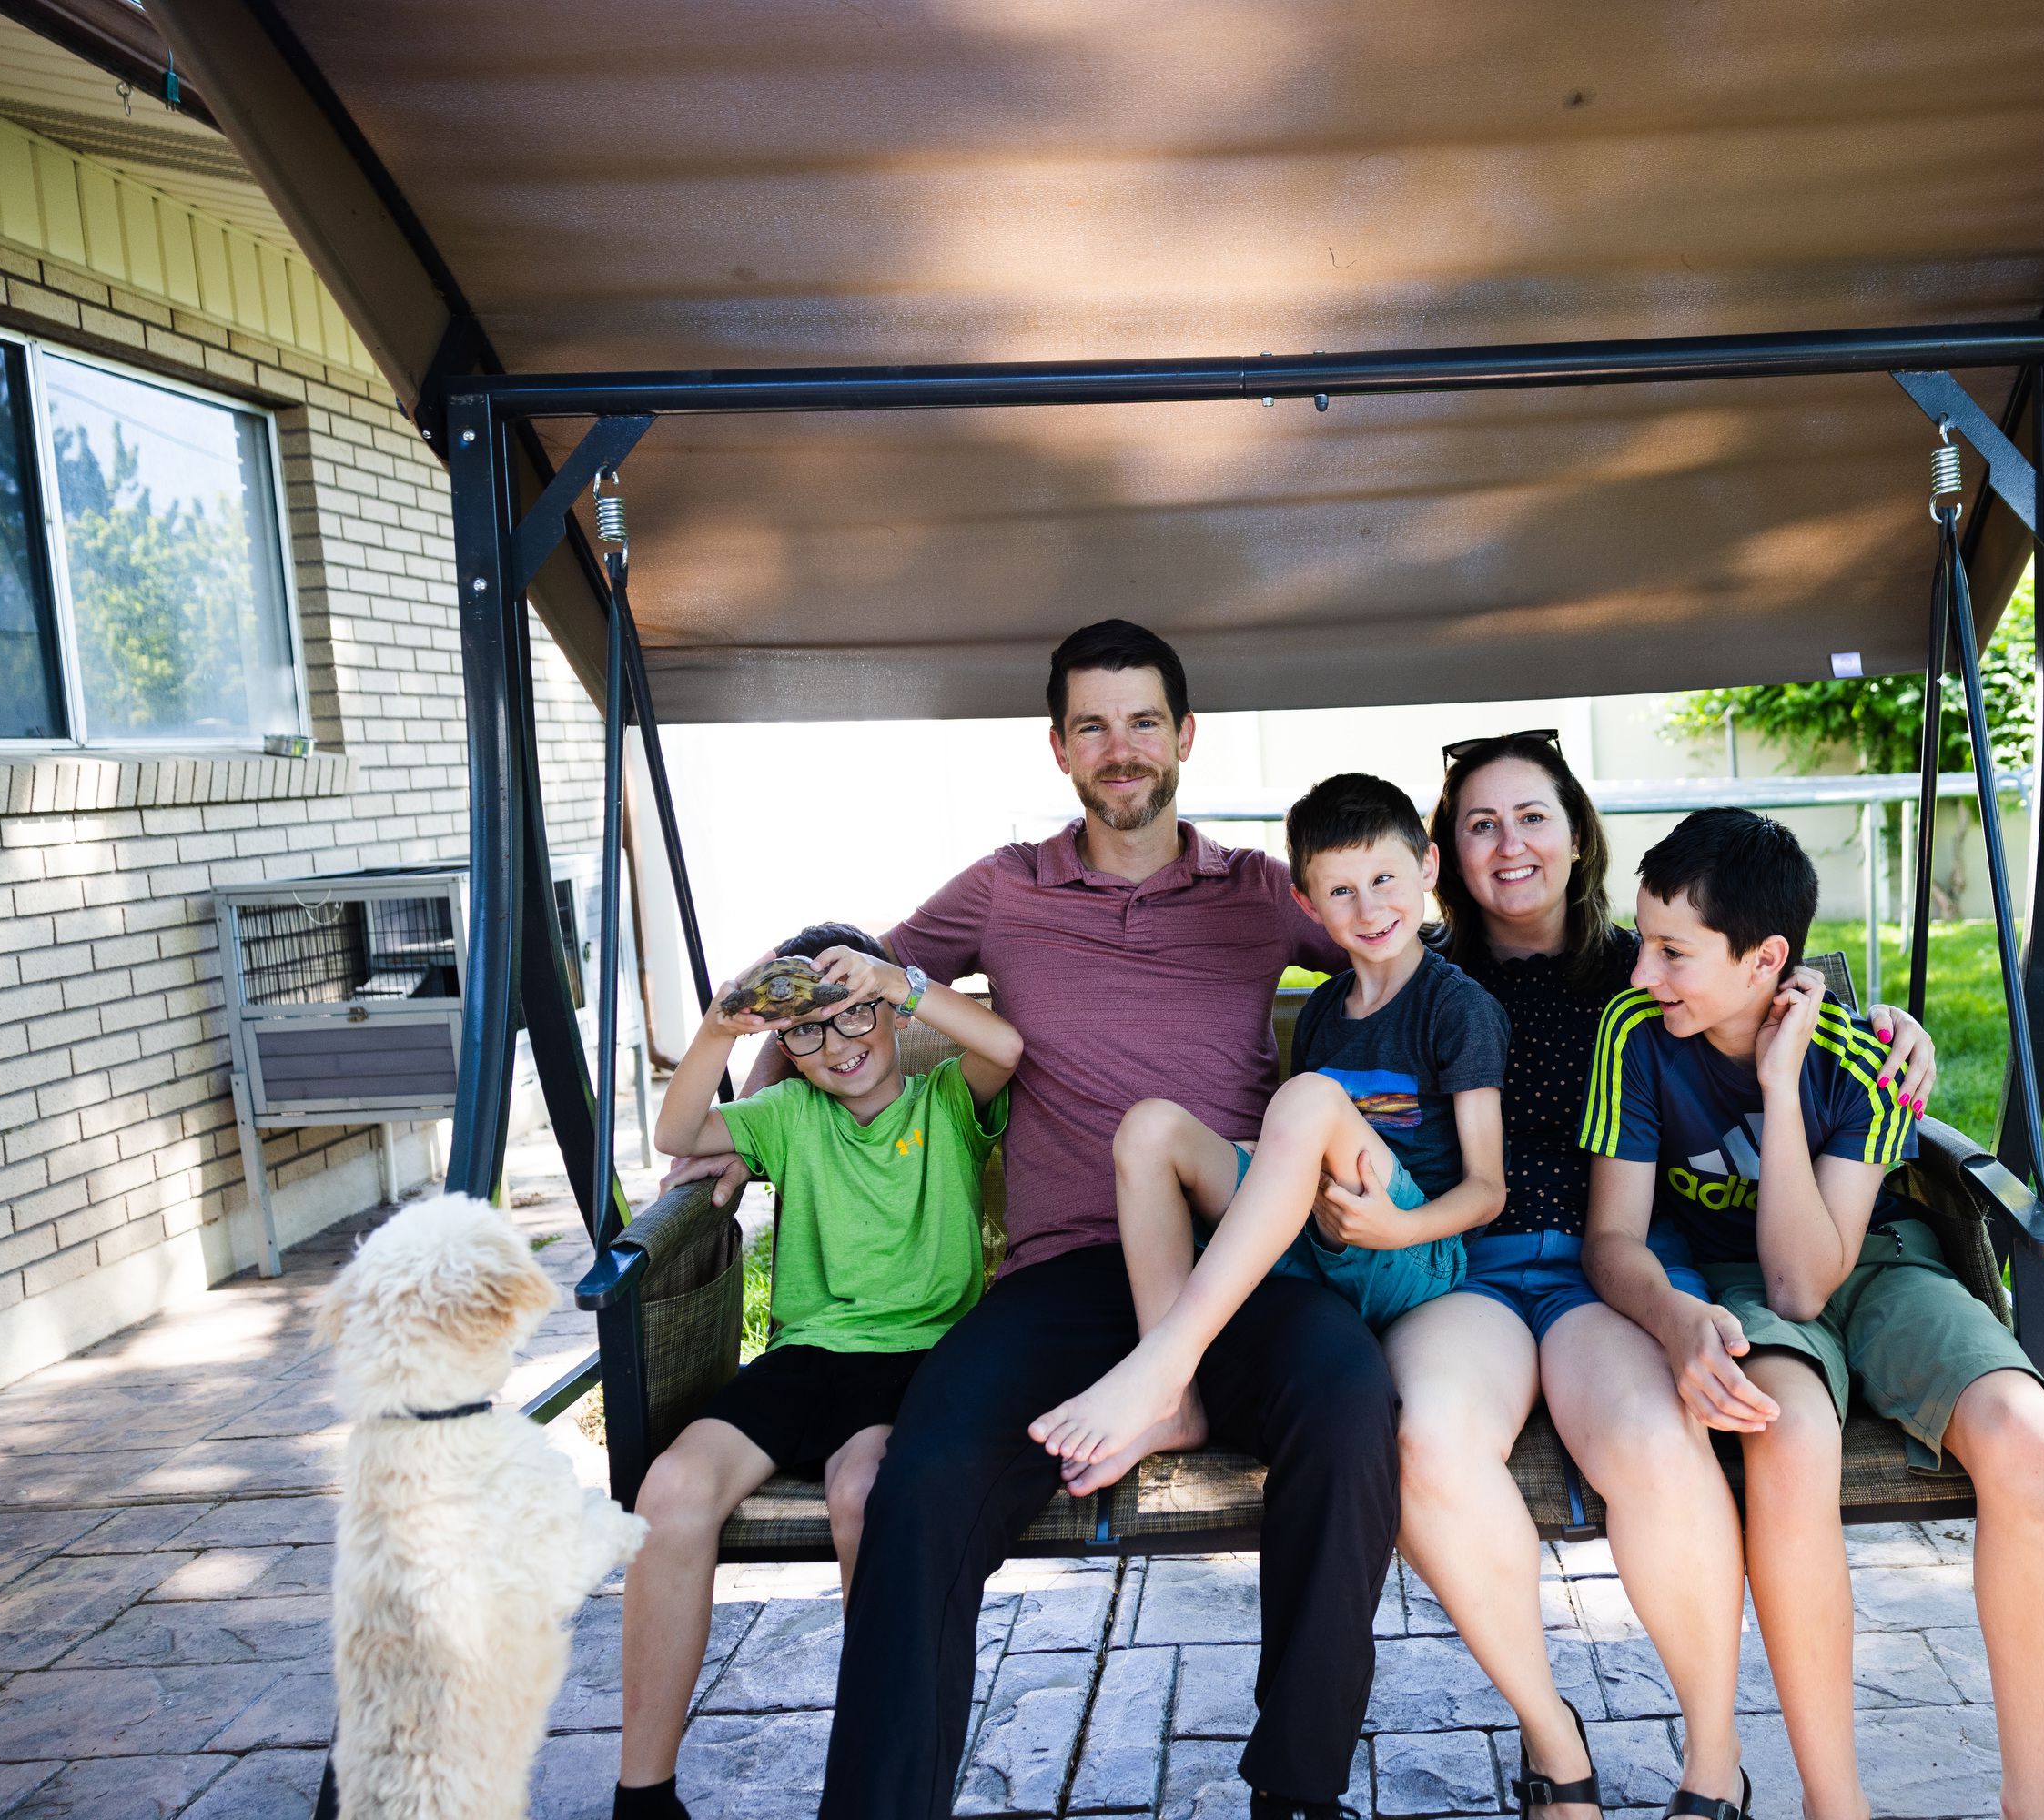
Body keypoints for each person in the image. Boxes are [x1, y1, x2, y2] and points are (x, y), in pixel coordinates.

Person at [673, 620, 1390, 1820]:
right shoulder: (1006, 887)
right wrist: (744, 1140)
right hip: (1062, 1277)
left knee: (1350, 1398)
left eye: (1145, 722)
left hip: (1233, 1264)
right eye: (1095, 726)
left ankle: (1298, 1795)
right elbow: (841, 981)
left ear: (1186, 737)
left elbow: (1395, 952)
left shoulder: (1260, 893)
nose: (1123, 750)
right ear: (1058, 747)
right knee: (927, 1473)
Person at [1381, 733, 1940, 1820]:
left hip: (1611, 1276)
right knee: (1427, 1439)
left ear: (1578, 833)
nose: (1509, 845)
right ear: (1445, 848)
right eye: (1479, 822)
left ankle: (1713, 1757)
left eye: (1533, 816)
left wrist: (1884, 1021)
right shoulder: (1416, 972)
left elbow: (1769, 983)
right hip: (1469, 1274)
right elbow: (1314, 916)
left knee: (1653, 1437)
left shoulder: (1637, 966)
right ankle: (1557, 1743)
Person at [1583, 809, 2044, 1820]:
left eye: (1674, 951)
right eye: (1644, 942)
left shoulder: (1858, 1056)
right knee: (1789, 1431)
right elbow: (1619, 1242)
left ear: (1767, 958)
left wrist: (1780, 1084)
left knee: (2029, 1443)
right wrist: (1679, 1316)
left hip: (1879, 1261)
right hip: (1734, 1278)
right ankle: (1834, 1802)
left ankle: (2038, 1806)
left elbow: (1821, 1275)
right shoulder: (1635, 1035)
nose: (1645, 973)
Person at [617, 923, 1020, 1820]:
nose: (838, 1047)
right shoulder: (789, 1118)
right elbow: (677, 1127)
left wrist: (899, 978)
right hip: (804, 1357)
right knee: (672, 1488)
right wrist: (725, 1025)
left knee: (864, 1492)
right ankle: (641, 1793)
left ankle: (877, 1774)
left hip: (917, 1361)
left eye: (856, 1017)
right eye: (808, 1031)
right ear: (784, 1044)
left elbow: (1005, 1043)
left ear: (888, 1011)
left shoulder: (945, 1101)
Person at [1031, 772, 1508, 1493]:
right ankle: (1177, 1407)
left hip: (1414, 1254)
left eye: (1385, 878)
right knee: (1150, 1129)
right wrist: (1240, 1164)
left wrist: (1396, 1229)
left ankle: (1164, 1361)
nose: (1370, 907)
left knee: (1307, 1098)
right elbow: (1299, 1153)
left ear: (1428, 868)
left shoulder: (1457, 1007)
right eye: (1341, 891)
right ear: (1306, 904)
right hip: (1319, 1239)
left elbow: (1486, 1190)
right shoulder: (1321, 1013)